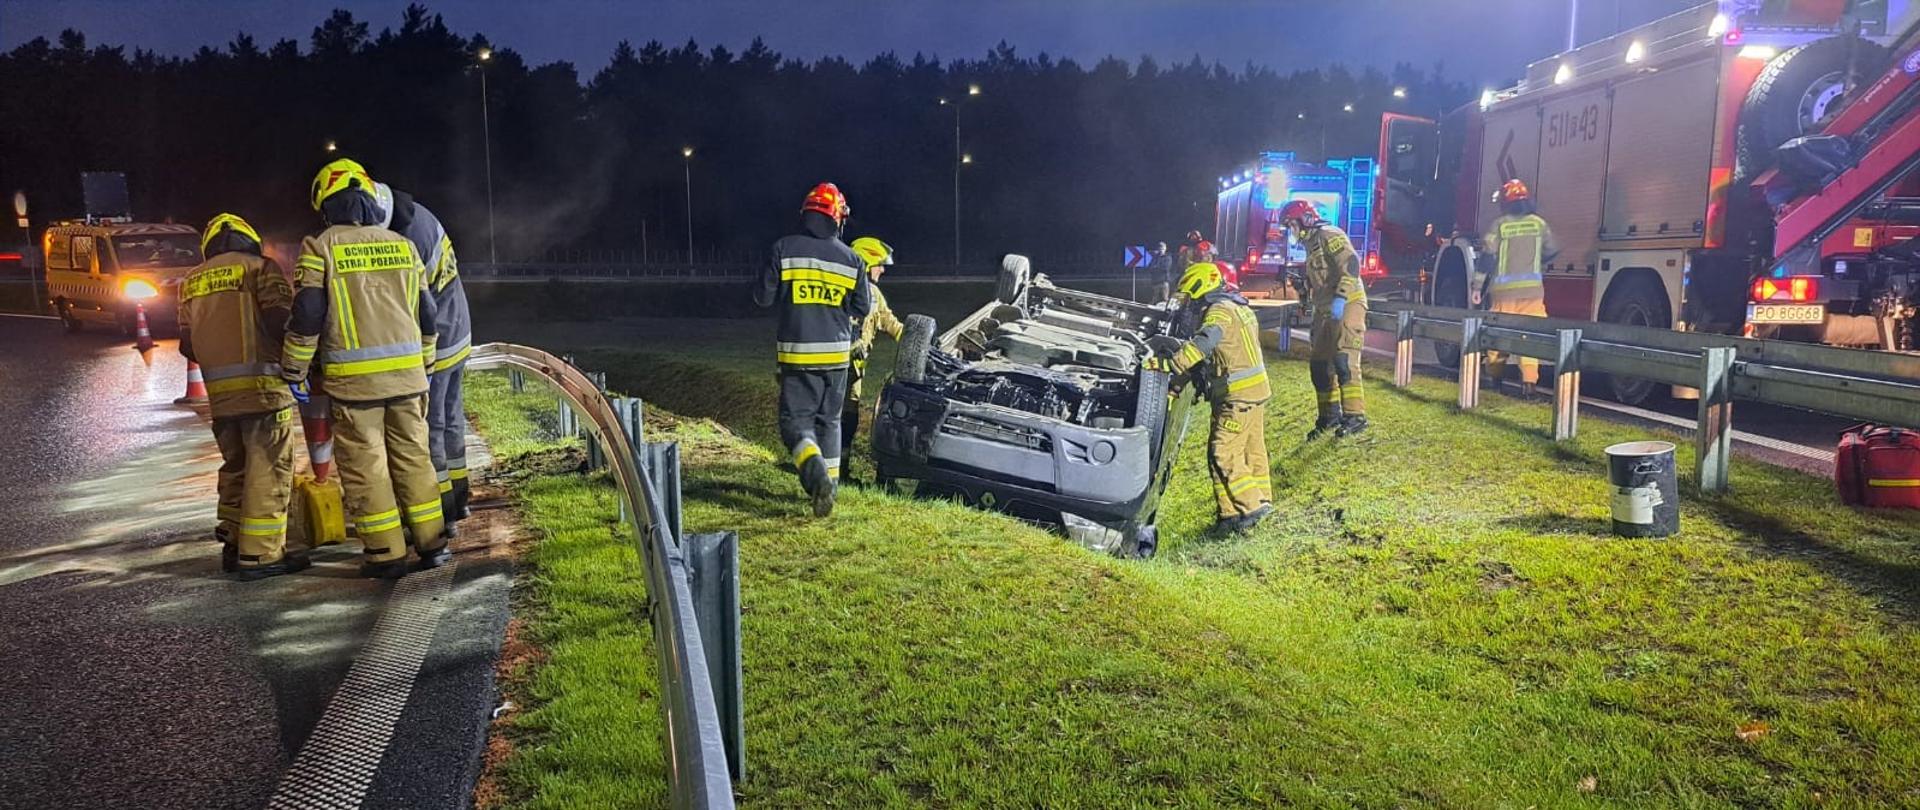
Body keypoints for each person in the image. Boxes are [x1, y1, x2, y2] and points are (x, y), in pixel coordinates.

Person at [282, 159, 445, 578]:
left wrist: (294, 369)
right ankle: (433, 546)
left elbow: (308, 313)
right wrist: (425, 363)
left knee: (367, 468)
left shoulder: (320, 247)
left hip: (356, 387)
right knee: (414, 459)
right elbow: (428, 314)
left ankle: (386, 554)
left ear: (326, 207)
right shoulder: (402, 245)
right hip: (409, 380)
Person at [178, 213, 304, 580]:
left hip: (221, 397)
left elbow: (188, 345)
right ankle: (262, 555)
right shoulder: (260, 269)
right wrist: (300, 364)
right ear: (249, 241)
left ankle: (233, 543)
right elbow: (281, 319)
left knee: (236, 468)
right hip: (264, 391)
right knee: (269, 470)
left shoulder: (191, 281)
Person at [754, 182, 871, 517]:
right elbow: (862, 307)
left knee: (795, 425)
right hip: (837, 358)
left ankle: (816, 477)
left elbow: (762, 298)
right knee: (830, 421)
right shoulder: (853, 260)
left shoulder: (783, 248)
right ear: (839, 218)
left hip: (799, 356)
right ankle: (829, 489)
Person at [1144, 260, 1273, 533]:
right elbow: (1210, 361)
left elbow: (1204, 344)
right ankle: (1232, 513)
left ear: (1203, 288)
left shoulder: (1219, 311)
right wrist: (1178, 386)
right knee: (1250, 451)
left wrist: (1170, 366)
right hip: (1252, 393)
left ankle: (1252, 507)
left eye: (1191, 297)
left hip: (1237, 396)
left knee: (1222, 451)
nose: (1189, 305)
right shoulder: (1236, 307)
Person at [373, 182, 473, 531]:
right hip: (458, 327)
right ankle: (459, 498)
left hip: (438, 337)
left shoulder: (408, 239)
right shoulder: (423, 216)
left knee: (430, 427)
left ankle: (442, 509)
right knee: (451, 417)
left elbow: (415, 303)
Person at [1281, 199, 1369, 438]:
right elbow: (1321, 278)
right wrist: (1304, 290)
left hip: (1348, 303)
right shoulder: (1310, 245)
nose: (1291, 231)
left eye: (1291, 225)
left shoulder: (1330, 234)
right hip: (1325, 309)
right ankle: (1329, 417)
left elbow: (1350, 266)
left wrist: (1341, 298)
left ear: (1306, 220)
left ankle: (1355, 416)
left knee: (1344, 359)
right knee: (1320, 365)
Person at [1478, 179, 1559, 393]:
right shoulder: (1539, 224)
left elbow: (1487, 257)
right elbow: (1552, 250)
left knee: (1497, 336)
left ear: (1506, 203)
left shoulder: (1500, 225)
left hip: (1504, 293)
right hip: (1532, 292)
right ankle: (1529, 383)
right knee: (1528, 337)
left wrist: (1477, 287)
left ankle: (1495, 379)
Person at [841, 236, 904, 483]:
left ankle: (841, 471)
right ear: (866, 264)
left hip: (854, 372)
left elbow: (890, 322)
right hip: (834, 366)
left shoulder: (875, 294)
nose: (882, 270)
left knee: (849, 420)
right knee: (832, 420)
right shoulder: (844, 290)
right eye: (879, 264)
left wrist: (918, 341)